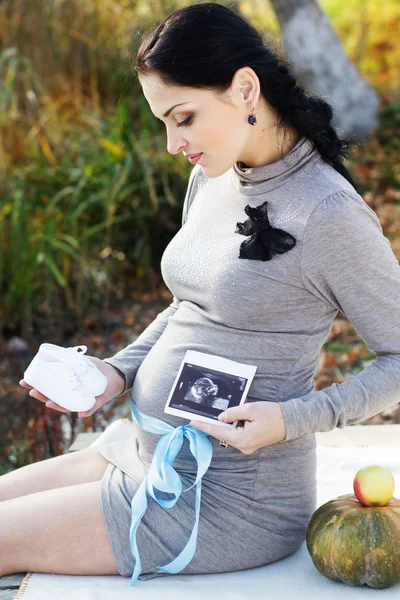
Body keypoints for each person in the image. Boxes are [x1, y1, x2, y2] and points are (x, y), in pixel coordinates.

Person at [1, 1, 400, 583]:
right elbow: (188, 305)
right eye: (163, 121)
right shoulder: (213, 176)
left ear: (244, 90)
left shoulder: (330, 214)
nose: (172, 143)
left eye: (183, 118)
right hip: (145, 455)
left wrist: (293, 419)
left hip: (228, 502)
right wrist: (118, 370)